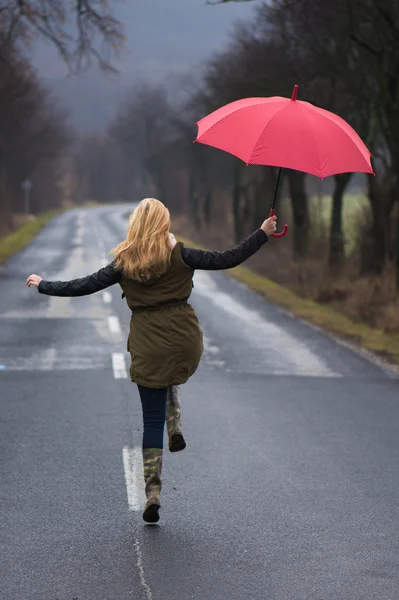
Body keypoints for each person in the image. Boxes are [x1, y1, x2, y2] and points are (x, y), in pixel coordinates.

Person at [26, 198, 277, 523]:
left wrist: (44, 285)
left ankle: (153, 490)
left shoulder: (124, 262)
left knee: (151, 419)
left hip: (147, 343)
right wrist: (262, 232)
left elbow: (84, 285)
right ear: (164, 224)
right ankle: (176, 424)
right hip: (185, 341)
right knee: (170, 371)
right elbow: (229, 258)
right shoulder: (182, 253)